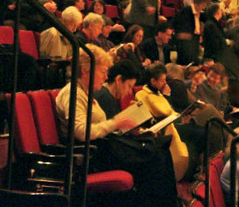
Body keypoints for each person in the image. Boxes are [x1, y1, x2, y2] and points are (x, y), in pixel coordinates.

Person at [54, 45, 177, 207]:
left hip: (102, 148)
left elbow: (99, 126)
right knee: (155, 157)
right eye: (103, 72)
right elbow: (81, 132)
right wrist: (116, 123)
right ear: (85, 71)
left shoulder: (86, 93)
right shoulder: (72, 93)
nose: (106, 77)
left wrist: (121, 127)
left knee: (162, 148)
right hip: (91, 156)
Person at [134, 64, 190, 181]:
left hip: (174, 122)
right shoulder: (143, 94)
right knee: (197, 133)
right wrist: (167, 95)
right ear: (153, 81)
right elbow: (162, 111)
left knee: (200, 129)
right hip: (164, 127)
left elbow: (169, 110)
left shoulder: (158, 92)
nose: (165, 83)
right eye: (163, 80)